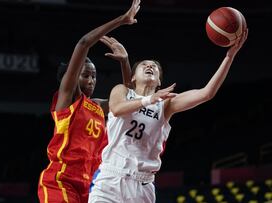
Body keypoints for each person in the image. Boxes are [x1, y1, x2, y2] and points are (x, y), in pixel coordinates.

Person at [88, 28, 248, 202]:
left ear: (159, 82)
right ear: (132, 77)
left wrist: (229, 57)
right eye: (144, 65)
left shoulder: (165, 104)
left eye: (155, 67)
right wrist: (149, 99)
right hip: (110, 179)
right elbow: (117, 109)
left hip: (142, 186)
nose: (150, 66)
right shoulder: (122, 91)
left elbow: (207, 93)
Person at [38, 0, 141, 202]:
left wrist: (124, 61)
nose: (91, 80)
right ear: (73, 77)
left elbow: (128, 99)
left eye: (94, 76)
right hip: (60, 180)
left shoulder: (98, 106)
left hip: (90, 185)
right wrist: (121, 20)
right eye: (86, 75)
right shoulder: (67, 99)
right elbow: (84, 43)